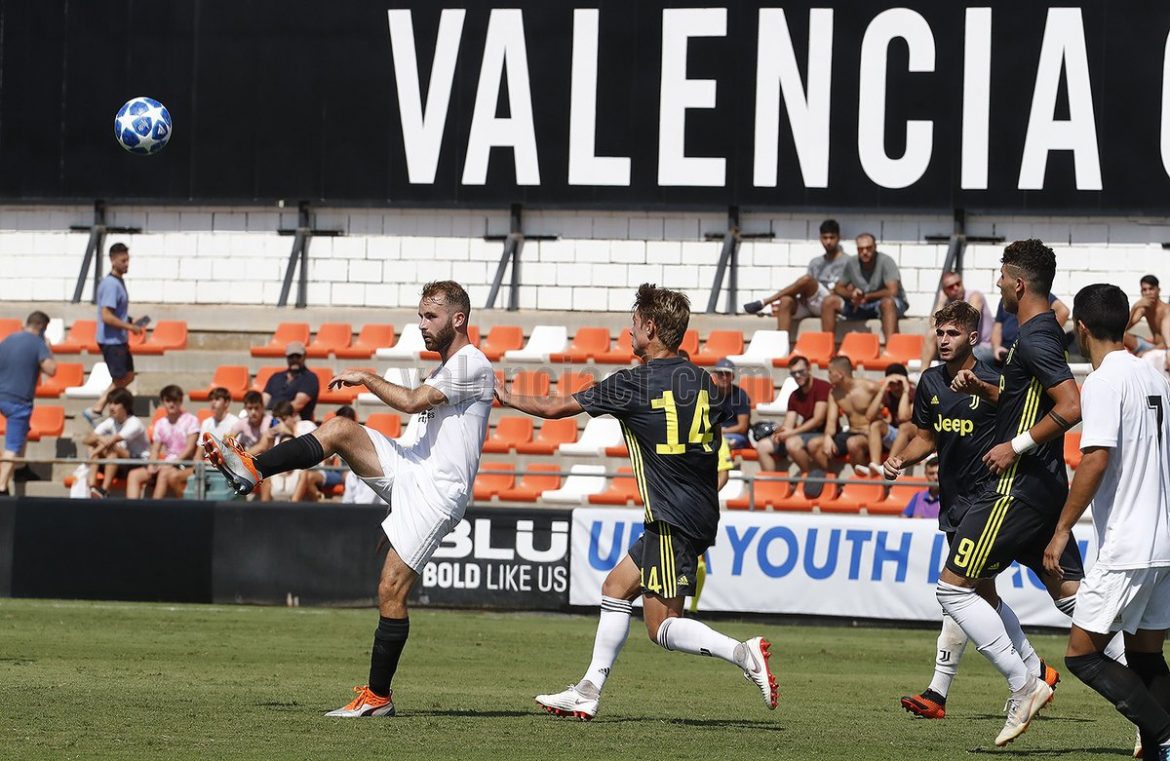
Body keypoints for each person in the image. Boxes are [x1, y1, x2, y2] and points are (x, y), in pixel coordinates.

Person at [202, 281, 495, 717]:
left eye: (429, 317)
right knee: (340, 429)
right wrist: (398, 501)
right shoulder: (446, 367)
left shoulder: (471, 363)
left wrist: (365, 377)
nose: (421, 325)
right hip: (411, 469)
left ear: (458, 319)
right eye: (419, 316)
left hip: (437, 492)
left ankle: (378, 697)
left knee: (390, 590)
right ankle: (254, 468)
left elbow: (414, 403)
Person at [496, 283, 778, 720]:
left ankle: (743, 653)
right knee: (615, 588)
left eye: (632, 324)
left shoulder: (633, 382)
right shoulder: (701, 379)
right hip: (695, 509)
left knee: (660, 626)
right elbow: (714, 440)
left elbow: (555, 408)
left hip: (671, 517)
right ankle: (587, 691)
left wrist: (508, 396)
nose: (627, 333)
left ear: (650, 326)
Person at [941, 240, 1089, 746]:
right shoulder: (1035, 334)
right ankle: (1147, 707)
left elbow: (1071, 404)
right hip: (1044, 489)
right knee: (1075, 601)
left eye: (1002, 277)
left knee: (954, 587)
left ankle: (1025, 681)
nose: (999, 284)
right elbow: (1026, 396)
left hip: (1017, 486)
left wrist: (1013, 445)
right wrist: (985, 390)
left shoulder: (1036, 336)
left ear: (1019, 283)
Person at [884, 300, 1059, 720]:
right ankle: (1037, 670)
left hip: (993, 501)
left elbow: (1024, 416)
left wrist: (983, 390)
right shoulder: (929, 382)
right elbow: (927, 438)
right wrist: (900, 460)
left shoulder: (995, 381)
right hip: (955, 501)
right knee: (978, 593)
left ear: (973, 338)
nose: (944, 341)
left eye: (953, 334)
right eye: (939, 333)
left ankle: (940, 692)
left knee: (957, 592)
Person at [1043, 284, 1170, 760]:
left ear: (1081, 327)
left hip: (1128, 542)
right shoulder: (1155, 376)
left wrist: (1060, 531)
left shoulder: (1101, 382)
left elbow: (1095, 458)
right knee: (1145, 656)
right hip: (1162, 538)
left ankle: (1164, 734)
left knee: (1082, 654)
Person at [743, 219, 849, 346]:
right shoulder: (816, 262)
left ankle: (766, 301)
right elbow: (806, 288)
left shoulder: (848, 261)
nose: (828, 242)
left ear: (838, 238)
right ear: (820, 238)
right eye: (825, 238)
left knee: (807, 279)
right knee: (786, 301)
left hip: (831, 303)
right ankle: (781, 347)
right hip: (811, 303)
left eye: (832, 238)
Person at [83, 243, 146, 424]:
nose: (126, 264)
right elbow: (107, 316)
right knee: (121, 377)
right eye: (123, 260)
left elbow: (116, 312)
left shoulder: (118, 282)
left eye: (128, 260)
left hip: (118, 339)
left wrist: (130, 321)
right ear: (112, 260)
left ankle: (100, 408)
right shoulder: (111, 284)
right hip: (112, 340)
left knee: (127, 375)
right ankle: (97, 408)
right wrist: (129, 327)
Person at [0, 311, 55, 496]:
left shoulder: (8, 340)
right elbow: (51, 370)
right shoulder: (38, 343)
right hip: (18, 400)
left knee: (23, 431)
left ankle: (21, 469)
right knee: (12, 446)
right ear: (40, 326)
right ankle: (1, 486)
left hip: (1, 394)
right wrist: (48, 348)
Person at [823, 233, 908, 343]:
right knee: (829, 301)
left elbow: (892, 291)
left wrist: (867, 296)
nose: (864, 252)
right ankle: (826, 346)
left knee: (887, 303)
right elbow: (838, 288)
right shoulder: (852, 262)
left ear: (875, 247)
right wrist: (852, 294)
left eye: (868, 248)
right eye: (860, 249)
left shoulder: (886, 261)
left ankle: (891, 348)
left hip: (884, 303)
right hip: (860, 304)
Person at [754, 355, 830, 473]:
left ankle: (808, 476)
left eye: (801, 372)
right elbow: (788, 423)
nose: (797, 376)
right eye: (793, 373)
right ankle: (771, 484)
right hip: (803, 434)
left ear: (809, 369)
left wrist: (792, 433)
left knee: (792, 443)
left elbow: (818, 420)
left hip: (821, 433)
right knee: (763, 446)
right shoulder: (794, 395)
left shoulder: (822, 387)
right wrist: (778, 433)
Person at [127, 385, 200, 499]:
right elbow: (155, 449)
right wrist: (152, 465)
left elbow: (189, 449)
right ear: (163, 402)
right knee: (134, 475)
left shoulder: (191, 420)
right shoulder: (160, 423)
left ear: (180, 401)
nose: (171, 404)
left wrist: (170, 463)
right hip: (167, 463)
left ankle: (154, 511)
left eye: (175, 400)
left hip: (186, 464)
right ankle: (131, 511)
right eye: (168, 400)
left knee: (164, 473)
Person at [816, 356, 883, 476]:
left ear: (840, 374)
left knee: (853, 443)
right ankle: (829, 482)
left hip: (871, 433)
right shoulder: (834, 393)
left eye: (830, 372)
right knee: (816, 446)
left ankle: (866, 480)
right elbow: (831, 422)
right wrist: (827, 437)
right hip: (852, 431)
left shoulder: (869, 387)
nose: (828, 376)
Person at [83, 388, 149, 498]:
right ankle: (93, 487)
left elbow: (111, 441)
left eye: (116, 403)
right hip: (120, 462)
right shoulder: (111, 421)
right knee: (99, 447)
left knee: (110, 449)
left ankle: (104, 490)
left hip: (138, 462)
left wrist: (93, 453)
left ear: (126, 407)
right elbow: (86, 439)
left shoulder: (134, 423)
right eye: (110, 403)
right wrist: (99, 438)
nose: (111, 407)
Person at [920, 271, 995, 366]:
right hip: (958, 344)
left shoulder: (974, 296)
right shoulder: (947, 302)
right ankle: (923, 374)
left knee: (956, 357)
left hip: (982, 346)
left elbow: (969, 320)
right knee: (931, 334)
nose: (956, 288)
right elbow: (934, 326)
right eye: (950, 287)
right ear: (945, 291)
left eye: (958, 284)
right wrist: (941, 302)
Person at [293, 406, 357, 502]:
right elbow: (326, 462)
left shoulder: (357, 439)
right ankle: (319, 501)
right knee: (309, 477)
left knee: (349, 477)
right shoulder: (330, 435)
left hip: (348, 472)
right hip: (333, 472)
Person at [258, 401, 318, 502]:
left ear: (293, 416)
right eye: (279, 420)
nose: (282, 423)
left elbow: (306, 452)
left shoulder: (307, 426)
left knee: (304, 474)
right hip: (285, 471)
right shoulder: (277, 435)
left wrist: (288, 432)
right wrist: (267, 440)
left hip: (310, 469)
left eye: (284, 419)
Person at [991, 292, 1070, 364]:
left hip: (1029, 353)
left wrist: (1043, 335)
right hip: (1005, 352)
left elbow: (1063, 311)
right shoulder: (1006, 298)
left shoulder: (1038, 294)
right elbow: (997, 327)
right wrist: (996, 347)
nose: (999, 283)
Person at [866, 363, 916, 466]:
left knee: (904, 427)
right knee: (875, 425)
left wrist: (906, 391)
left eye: (899, 383)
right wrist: (882, 389)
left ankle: (889, 464)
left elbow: (903, 417)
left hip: (912, 438)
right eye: (892, 384)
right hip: (897, 436)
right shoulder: (887, 395)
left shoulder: (914, 393)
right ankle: (875, 465)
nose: (896, 387)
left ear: (905, 381)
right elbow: (869, 417)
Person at [263, 341, 319, 423]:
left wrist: (273, 415)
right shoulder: (275, 377)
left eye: (298, 356)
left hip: (294, 422)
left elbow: (297, 405)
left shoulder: (310, 378)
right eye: (291, 356)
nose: (294, 359)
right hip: (269, 419)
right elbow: (264, 400)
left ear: (304, 356)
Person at [708, 359, 751, 450]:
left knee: (724, 444)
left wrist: (722, 431)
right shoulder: (709, 393)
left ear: (732, 376)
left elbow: (742, 427)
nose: (724, 377)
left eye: (727, 374)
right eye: (721, 374)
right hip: (714, 433)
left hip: (734, 435)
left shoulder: (740, 395)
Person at [1123, 274, 1169, 356]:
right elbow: (1124, 328)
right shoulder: (1144, 309)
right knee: (1121, 335)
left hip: (1164, 350)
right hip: (1150, 347)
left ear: (1158, 290)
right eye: (1144, 290)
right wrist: (1134, 307)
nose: (1148, 293)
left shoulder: (1166, 310)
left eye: (1151, 289)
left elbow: (1168, 342)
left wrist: (1147, 352)